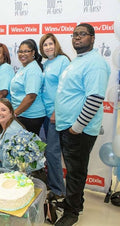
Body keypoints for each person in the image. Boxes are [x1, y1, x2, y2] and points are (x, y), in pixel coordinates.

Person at [55, 23, 110, 226]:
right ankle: (74, 201)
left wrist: (77, 127)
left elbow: (95, 98)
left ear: (93, 38)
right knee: (74, 169)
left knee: (76, 172)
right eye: (75, 34)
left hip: (78, 130)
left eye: (82, 34)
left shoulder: (94, 63)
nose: (77, 38)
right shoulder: (80, 60)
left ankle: (72, 213)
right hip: (68, 127)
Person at [39, 33, 70, 200]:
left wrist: (56, 111)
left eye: (50, 44)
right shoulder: (46, 64)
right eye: (45, 45)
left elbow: (65, 88)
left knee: (53, 151)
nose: (48, 47)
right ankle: (52, 184)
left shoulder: (63, 61)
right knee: (48, 151)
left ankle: (58, 190)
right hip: (44, 113)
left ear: (56, 45)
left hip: (56, 113)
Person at [10, 39, 46, 135]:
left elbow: (31, 97)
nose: (22, 54)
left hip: (30, 117)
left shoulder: (33, 69)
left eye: (26, 51)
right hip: (22, 114)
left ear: (33, 52)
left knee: (26, 148)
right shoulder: (24, 67)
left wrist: (14, 114)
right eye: (20, 51)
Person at [0, 98, 25, 167]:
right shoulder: (9, 125)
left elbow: (10, 165)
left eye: (3, 110)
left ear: (11, 113)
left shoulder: (10, 132)